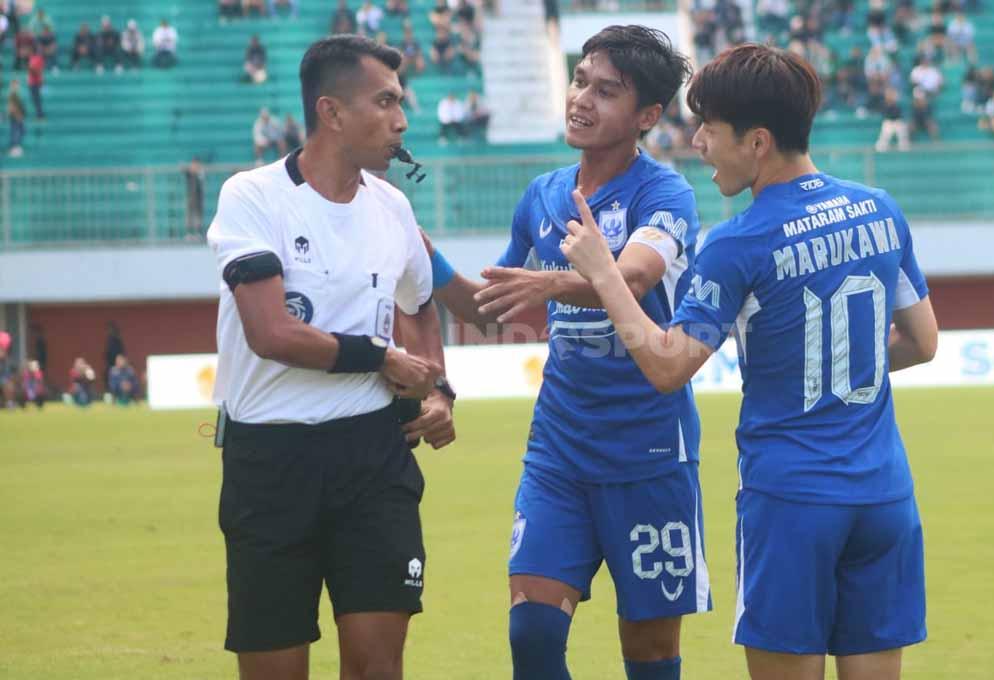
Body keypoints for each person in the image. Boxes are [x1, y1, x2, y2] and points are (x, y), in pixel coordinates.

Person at [560, 43, 938, 680]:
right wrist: (833, 373)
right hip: (884, 496)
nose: (698, 143)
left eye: (710, 129)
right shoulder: (880, 208)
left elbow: (667, 367)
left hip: (791, 499)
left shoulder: (738, 241)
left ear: (758, 142)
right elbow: (923, 342)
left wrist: (604, 274)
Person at [425, 25, 707, 680]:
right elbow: (488, 307)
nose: (581, 98)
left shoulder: (666, 195)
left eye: (606, 91)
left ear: (647, 116)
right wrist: (424, 255)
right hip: (559, 450)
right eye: (580, 80)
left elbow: (633, 275)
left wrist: (551, 284)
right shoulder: (542, 195)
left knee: (650, 654)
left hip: (649, 454)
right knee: (532, 633)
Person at [205, 34, 454, 680]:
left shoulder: (393, 207)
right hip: (270, 462)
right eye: (386, 101)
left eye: (401, 102)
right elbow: (271, 334)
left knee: (378, 669)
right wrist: (380, 358)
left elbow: (420, 304)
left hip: (372, 457)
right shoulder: (252, 196)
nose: (402, 120)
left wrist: (437, 390)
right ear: (332, 112)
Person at [185, 156, 207, 238]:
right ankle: (189, 233)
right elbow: (184, 171)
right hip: (190, 197)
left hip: (199, 197)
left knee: (198, 215)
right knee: (190, 215)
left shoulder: (201, 172)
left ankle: (198, 232)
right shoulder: (189, 173)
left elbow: (201, 180)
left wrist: (198, 172)